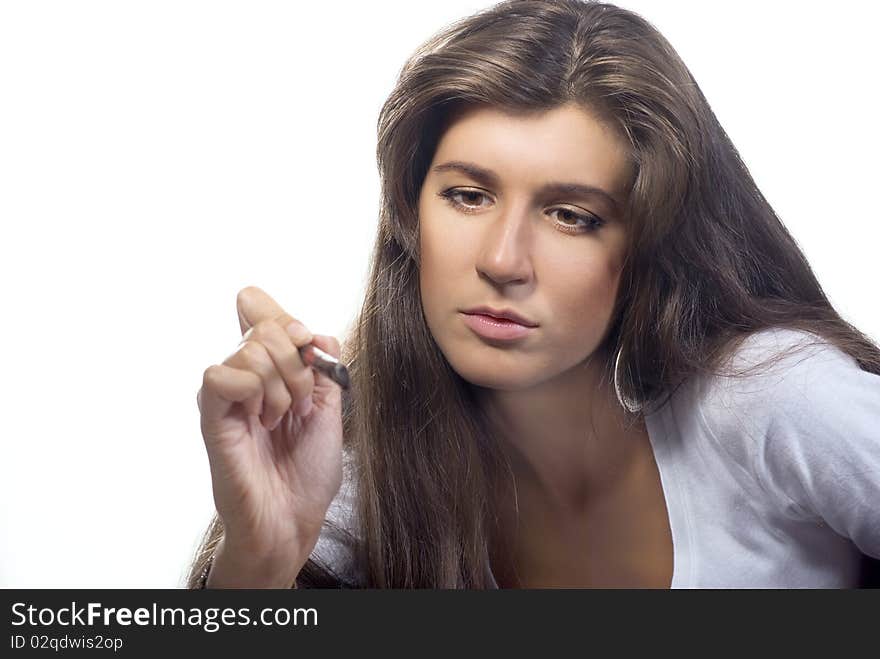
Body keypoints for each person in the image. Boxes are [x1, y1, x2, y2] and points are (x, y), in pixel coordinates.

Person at [186, 0, 880, 589]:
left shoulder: (776, 395)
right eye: (468, 195)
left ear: (650, 242)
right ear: (409, 213)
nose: (501, 259)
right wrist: (260, 559)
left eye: (571, 216)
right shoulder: (357, 476)